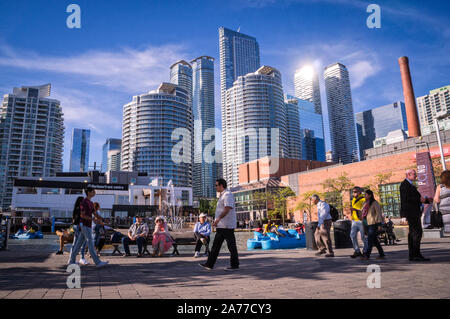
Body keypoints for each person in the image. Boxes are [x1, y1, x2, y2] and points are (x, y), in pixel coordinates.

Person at [200, 178, 239, 270]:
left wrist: (218, 219)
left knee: (231, 246)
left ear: (222, 185)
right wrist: (217, 220)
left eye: (216, 185)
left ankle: (234, 265)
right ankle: (209, 264)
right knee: (216, 246)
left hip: (227, 225)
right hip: (222, 225)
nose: (215, 187)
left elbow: (227, 208)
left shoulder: (227, 194)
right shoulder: (222, 195)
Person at [67, 188, 108, 268]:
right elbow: (82, 215)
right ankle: (97, 262)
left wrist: (102, 219)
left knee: (78, 244)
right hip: (84, 225)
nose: (95, 192)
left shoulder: (90, 203)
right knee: (90, 242)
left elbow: (95, 213)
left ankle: (71, 261)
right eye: (93, 191)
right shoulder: (84, 202)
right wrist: (92, 219)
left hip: (87, 225)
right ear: (89, 192)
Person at [400, 169, 432, 262]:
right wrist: (422, 200)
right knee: (417, 233)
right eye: (414, 174)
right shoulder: (405, 185)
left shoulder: (409, 185)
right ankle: (416, 254)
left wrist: (425, 200)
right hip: (412, 213)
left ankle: (413, 254)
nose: (416, 176)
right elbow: (407, 199)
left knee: (413, 233)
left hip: (413, 212)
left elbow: (412, 198)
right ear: (408, 174)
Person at [360, 190, 385, 260]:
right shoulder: (365, 203)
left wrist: (379, 224)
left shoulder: (375, 203)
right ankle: (382, 254)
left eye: (366, 195)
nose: (365, 196)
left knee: (370, 240)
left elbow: (378, 213)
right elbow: (363, 213)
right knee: (375, 240)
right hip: (366, 223)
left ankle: (367, 255)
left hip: (373, 224)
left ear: (370, 195)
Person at [67, 196, 88, 260]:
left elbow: (73, 219)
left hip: (75, 226)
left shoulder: (75, 208)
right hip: (79, 226)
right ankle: (80, 258)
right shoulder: (80, 209)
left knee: (75, 243)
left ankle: (71, 259)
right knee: (82, 243)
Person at [349, 187, 368, 258]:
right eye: (353, 192)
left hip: (361, 221)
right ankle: (357, 251)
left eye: (355, 191)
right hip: (354, 220)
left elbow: (364, 210)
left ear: (360, 192)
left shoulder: (363, 199)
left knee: (363, 237)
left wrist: (355, 209)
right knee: (352, 236)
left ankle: (365, 251)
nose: (354, 193)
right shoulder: (353, 199)